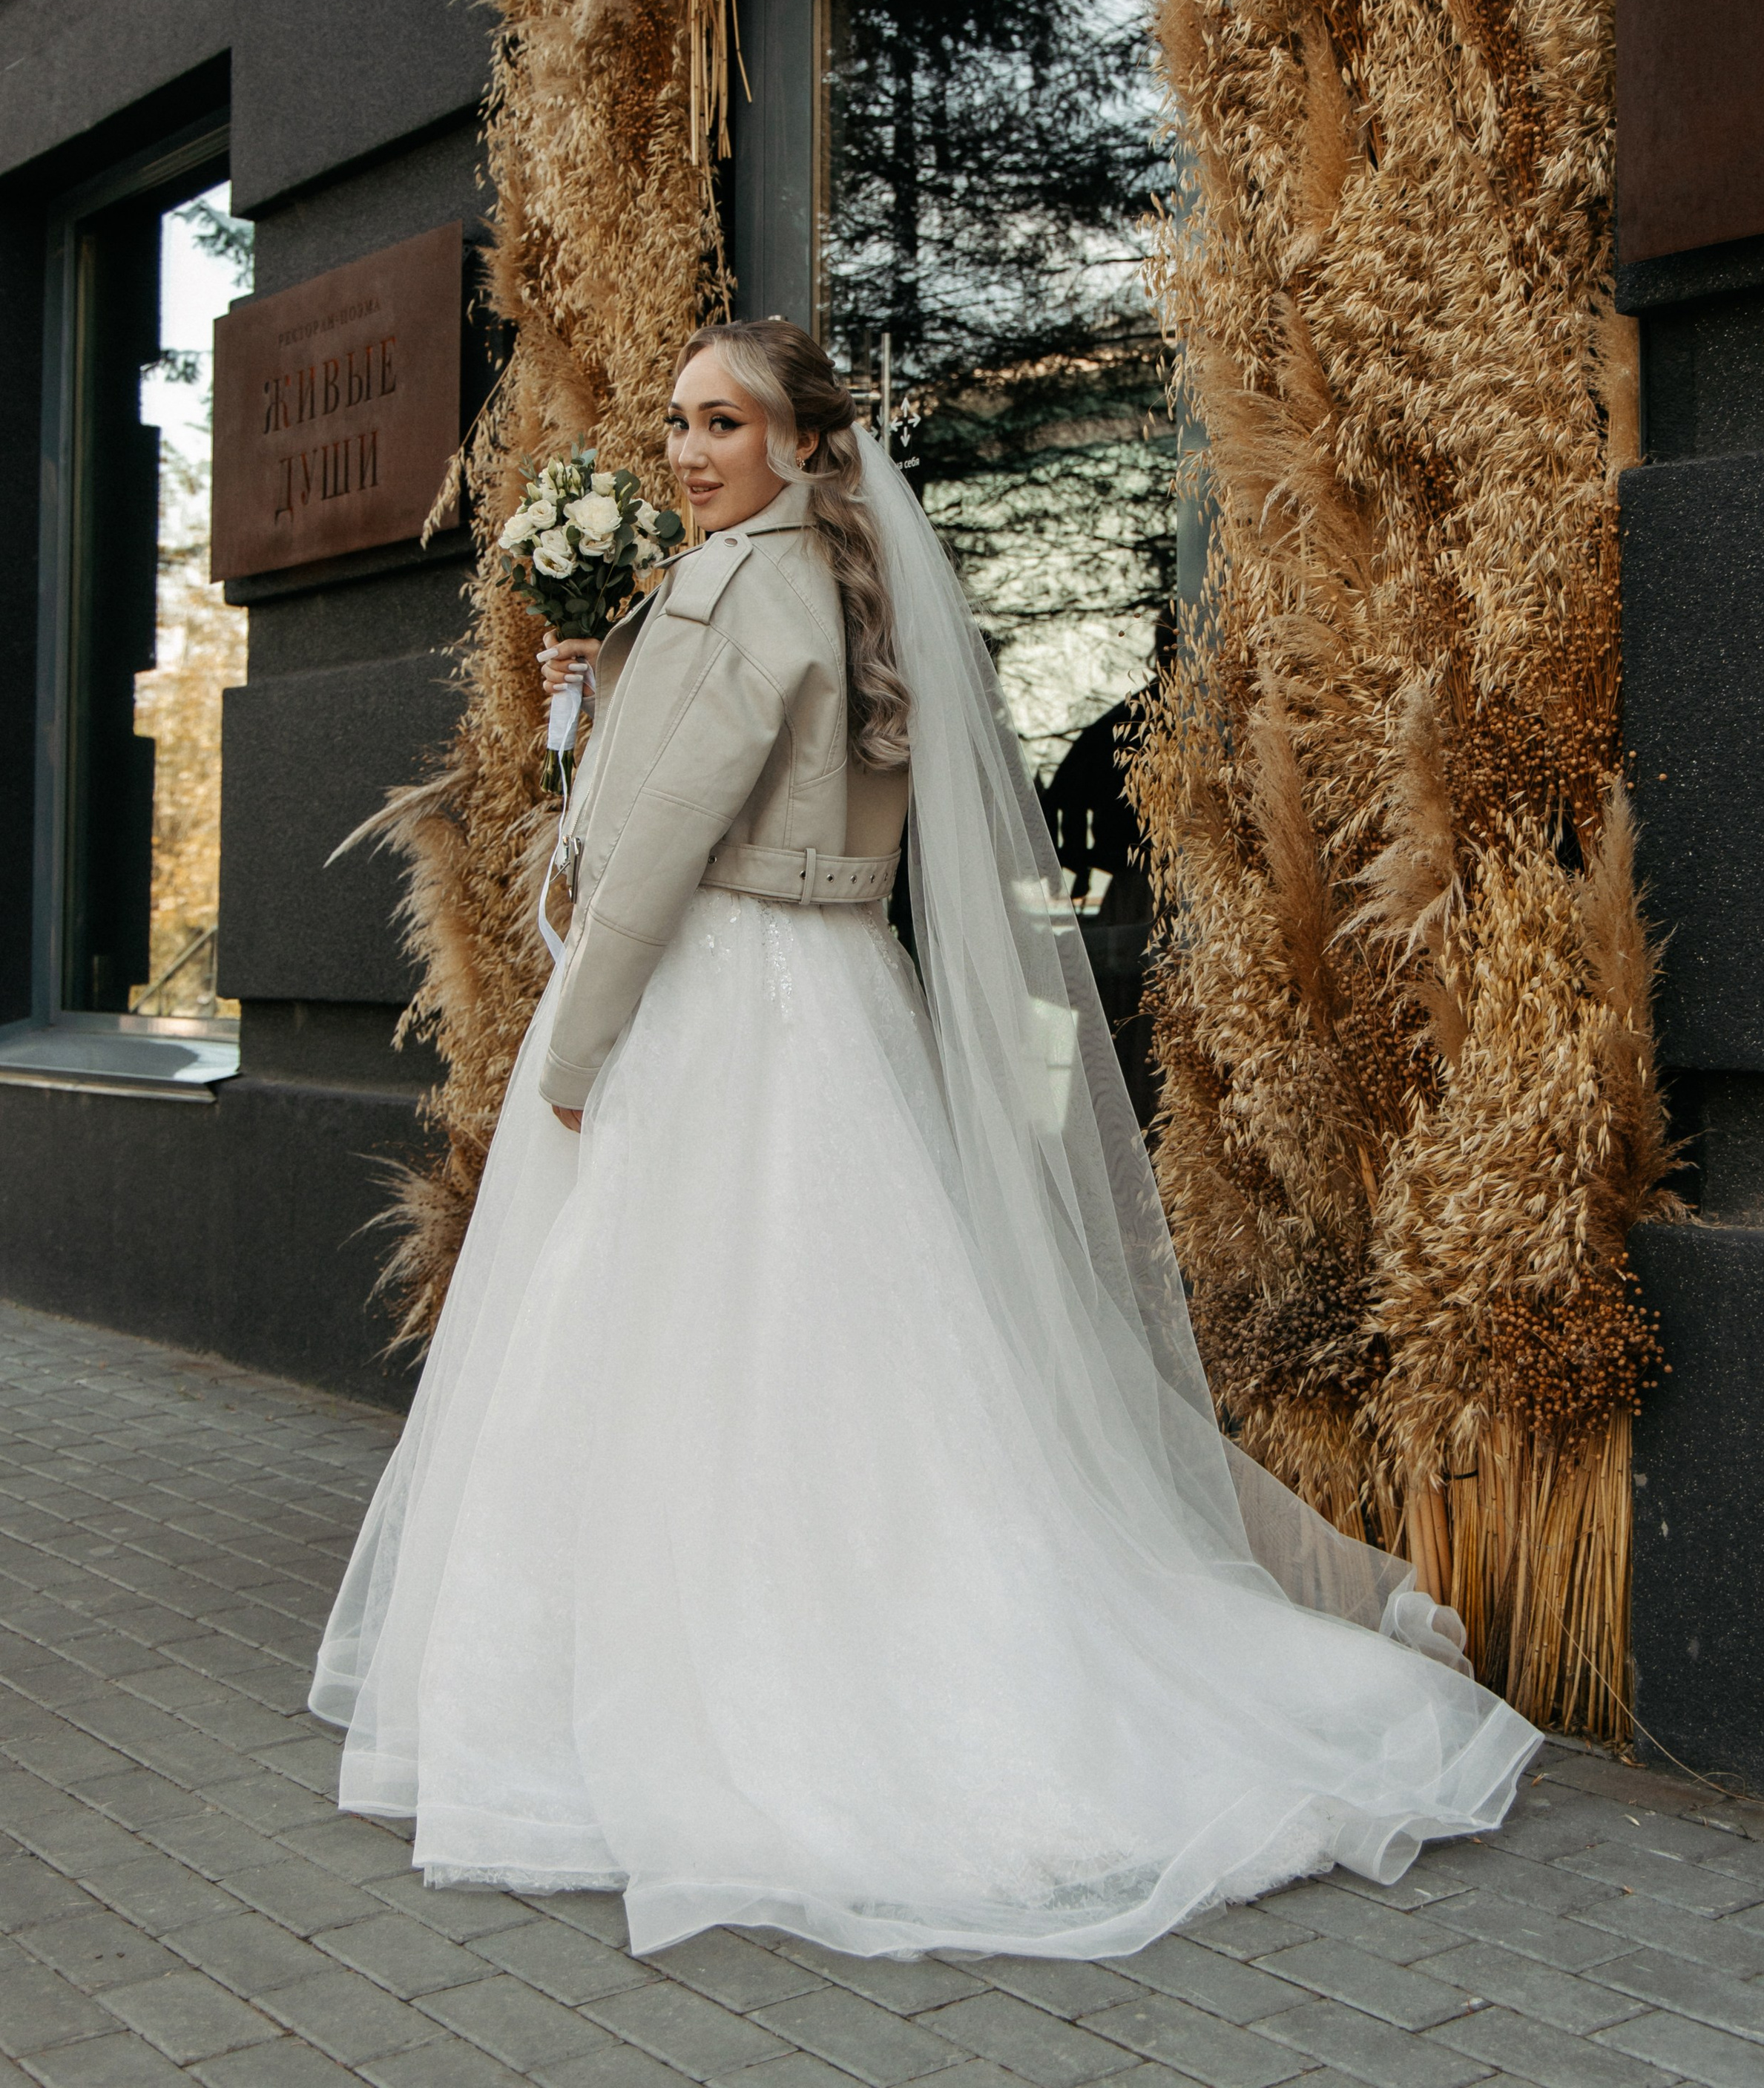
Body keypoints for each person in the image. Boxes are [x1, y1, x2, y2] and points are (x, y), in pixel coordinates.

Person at [310, 318, 1536, 1961]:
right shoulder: (814, 578)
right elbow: (729, 780)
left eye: (721, 423)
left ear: (795, 442)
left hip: (718, 1003)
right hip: (825, 1000)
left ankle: (719, 1695)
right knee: (842, 1362)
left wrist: (578, 1043)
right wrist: (596, 691)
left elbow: (665, 840)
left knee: (693, 1349)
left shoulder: (742, 587)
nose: (686, 451)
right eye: (676, 421)